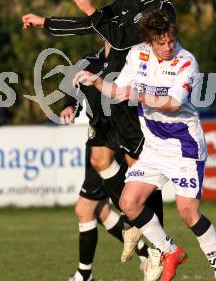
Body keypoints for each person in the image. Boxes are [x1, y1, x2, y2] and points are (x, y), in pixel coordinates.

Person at [22, 0, 178, 247]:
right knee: (100, 158)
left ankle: (158, 244)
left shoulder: (162, 13)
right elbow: (94, 24)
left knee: (139, 167)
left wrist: (92, 9)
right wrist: (46, 22)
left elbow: (119, 38)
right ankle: (137, 226)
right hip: (108, 88)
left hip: (132, 94)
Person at [74, 10, 216, 281]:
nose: (168, 47)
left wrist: (139, 95)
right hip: (154, 147)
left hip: (184, 146)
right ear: (150, 41)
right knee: (129, 202)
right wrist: (97, 81)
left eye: (171, 41)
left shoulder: (186, 61)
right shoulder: (137, 54)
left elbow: (173, 103)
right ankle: (168, 250)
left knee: (188, 213)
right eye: (161, 43)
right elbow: (118, 92)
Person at [60, 43, 149, 281]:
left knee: (85, 209)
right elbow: (74, 90)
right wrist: (69, 106)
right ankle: (147, 252)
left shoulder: (131, 61)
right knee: (96, 211)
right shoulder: (88, 61)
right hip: (96, 138)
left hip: (115, 141)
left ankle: (84, 274)